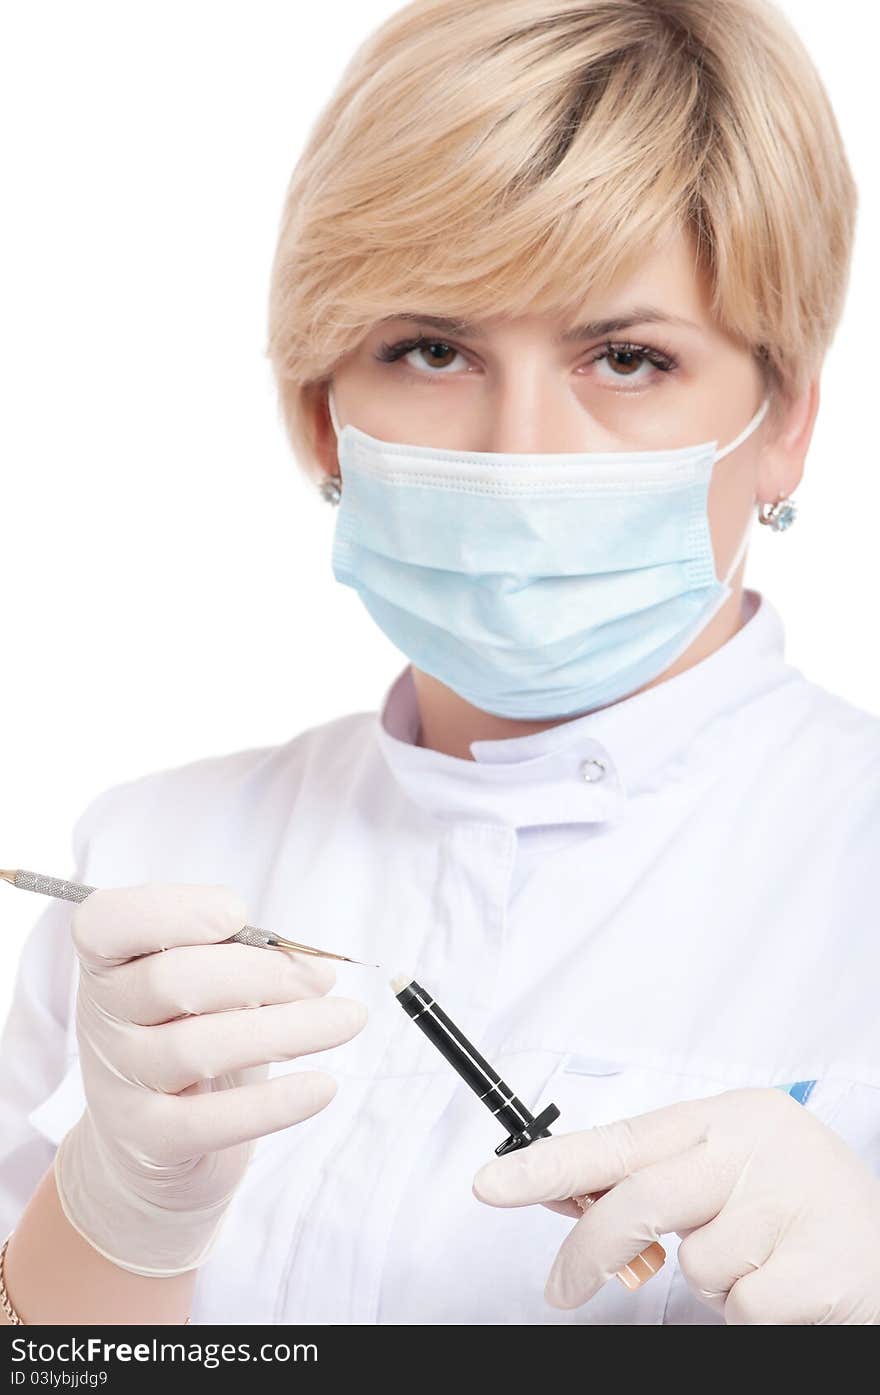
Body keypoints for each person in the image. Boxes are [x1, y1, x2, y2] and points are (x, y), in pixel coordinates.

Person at [1, 0, 878, 1327]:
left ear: (782, 426)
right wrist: (116, 1231)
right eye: (431, 348)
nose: (520, 451)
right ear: (322, 413)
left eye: (627, 358)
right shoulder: (153, 854)